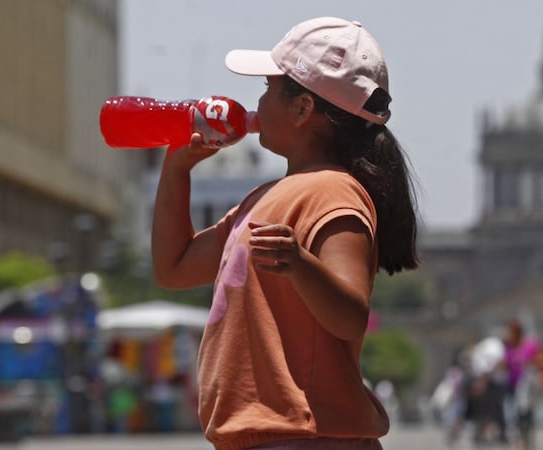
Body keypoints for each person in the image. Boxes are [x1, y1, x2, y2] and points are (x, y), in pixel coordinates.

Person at [151, 17, 419, 450]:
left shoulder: (333, 192)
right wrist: (177, 169)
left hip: (305, 435)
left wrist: (300, 264)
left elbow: (350, 317)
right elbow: (174, 267)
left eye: (268, 88)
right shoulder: (264, 197)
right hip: (265, 436)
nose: (257, 101)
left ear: (302, 109)